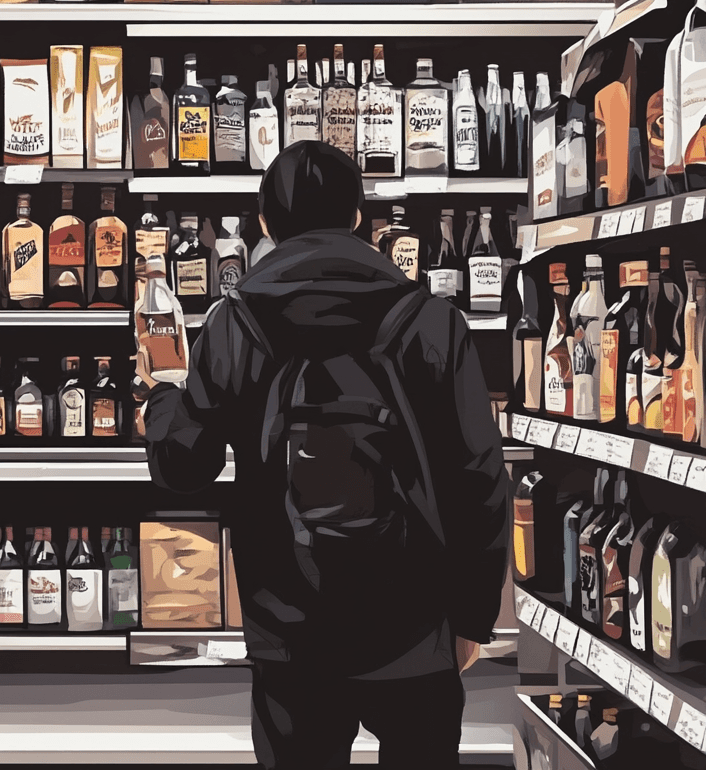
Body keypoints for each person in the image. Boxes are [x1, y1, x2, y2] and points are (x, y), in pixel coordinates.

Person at [140, 141, 507, 770]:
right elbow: (478, 475)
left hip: (291, 628)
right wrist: (473, 614)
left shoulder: (235, 325)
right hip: (415, 622)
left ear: (263, 224)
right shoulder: (431, 321)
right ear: (359, 218)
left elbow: (184, 466)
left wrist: (161, 398)